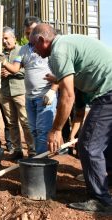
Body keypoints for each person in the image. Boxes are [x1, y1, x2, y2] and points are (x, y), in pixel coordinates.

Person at [30, 23, 112, 212]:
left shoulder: (59, 52)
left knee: (89, 145)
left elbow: (68, 96)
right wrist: (58, 78)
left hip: (108, 92)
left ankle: (100, 200)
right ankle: (108, 180)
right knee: (106, 142)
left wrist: (56, 130)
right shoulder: (66, 43)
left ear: (43, 40)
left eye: (34, 45)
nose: (33, 50)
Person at [0, 17, 58, 155]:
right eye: (27, 33)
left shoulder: (49, 47)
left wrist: (53, 90)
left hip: (45, 96)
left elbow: (59, 71)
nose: (30, 36)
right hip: (30, 97)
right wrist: (4, 62)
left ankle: (41, 163)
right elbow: (15, 68)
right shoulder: (23, 50)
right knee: (34, 130)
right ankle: (36, 157)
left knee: (42, 131)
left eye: (32, 32)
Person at [0, 26, 34, 160]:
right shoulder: (0, 54)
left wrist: (12, 70)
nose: (5, 41)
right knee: (11, 123)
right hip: (6, 93)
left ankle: (32, 151)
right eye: (2, 39)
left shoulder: (22, 51)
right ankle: (17, 150)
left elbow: (28, 70)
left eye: (7, 38)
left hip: (20, 91)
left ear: (14, 38)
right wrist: (0, 73)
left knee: (25, 122)